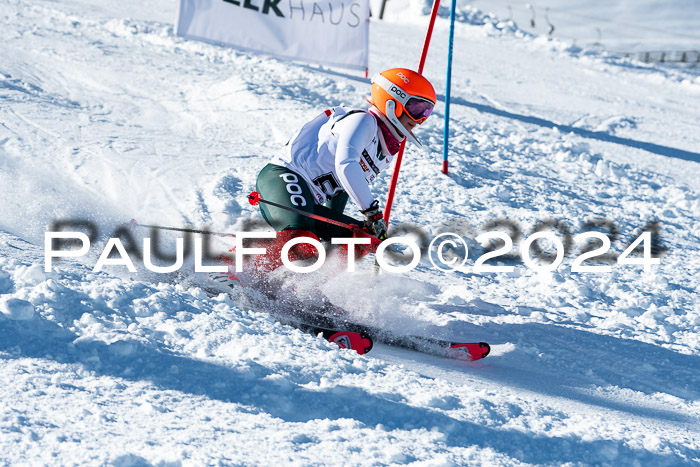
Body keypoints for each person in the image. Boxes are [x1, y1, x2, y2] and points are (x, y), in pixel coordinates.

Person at [246, 68, 436, 282]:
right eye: (416, 108)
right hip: (282, 177)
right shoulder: (364, 122)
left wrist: (338, 232)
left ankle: (305, 288)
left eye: (427, 112)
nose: (420, 119)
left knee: (363, 238)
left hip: (310, 201)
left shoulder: (384, 151)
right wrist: (372, 212)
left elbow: (344, 186)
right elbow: (345, 165)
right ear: (392, 102)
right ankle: (238, 265)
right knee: (300, 238)